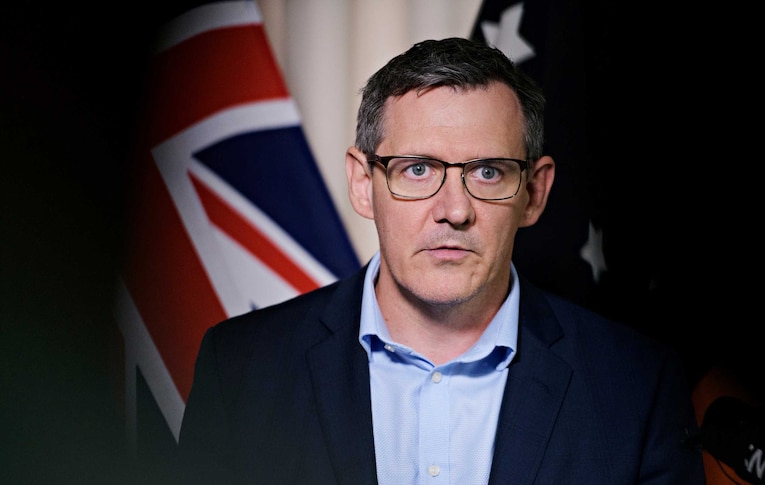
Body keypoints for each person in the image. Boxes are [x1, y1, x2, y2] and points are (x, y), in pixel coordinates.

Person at [177, 37, 706, 484]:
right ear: (365, 185)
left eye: (488, 173)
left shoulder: (638, 384)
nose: (453, 211)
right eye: (416, 170)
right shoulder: (241, 369)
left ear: (535, 192)